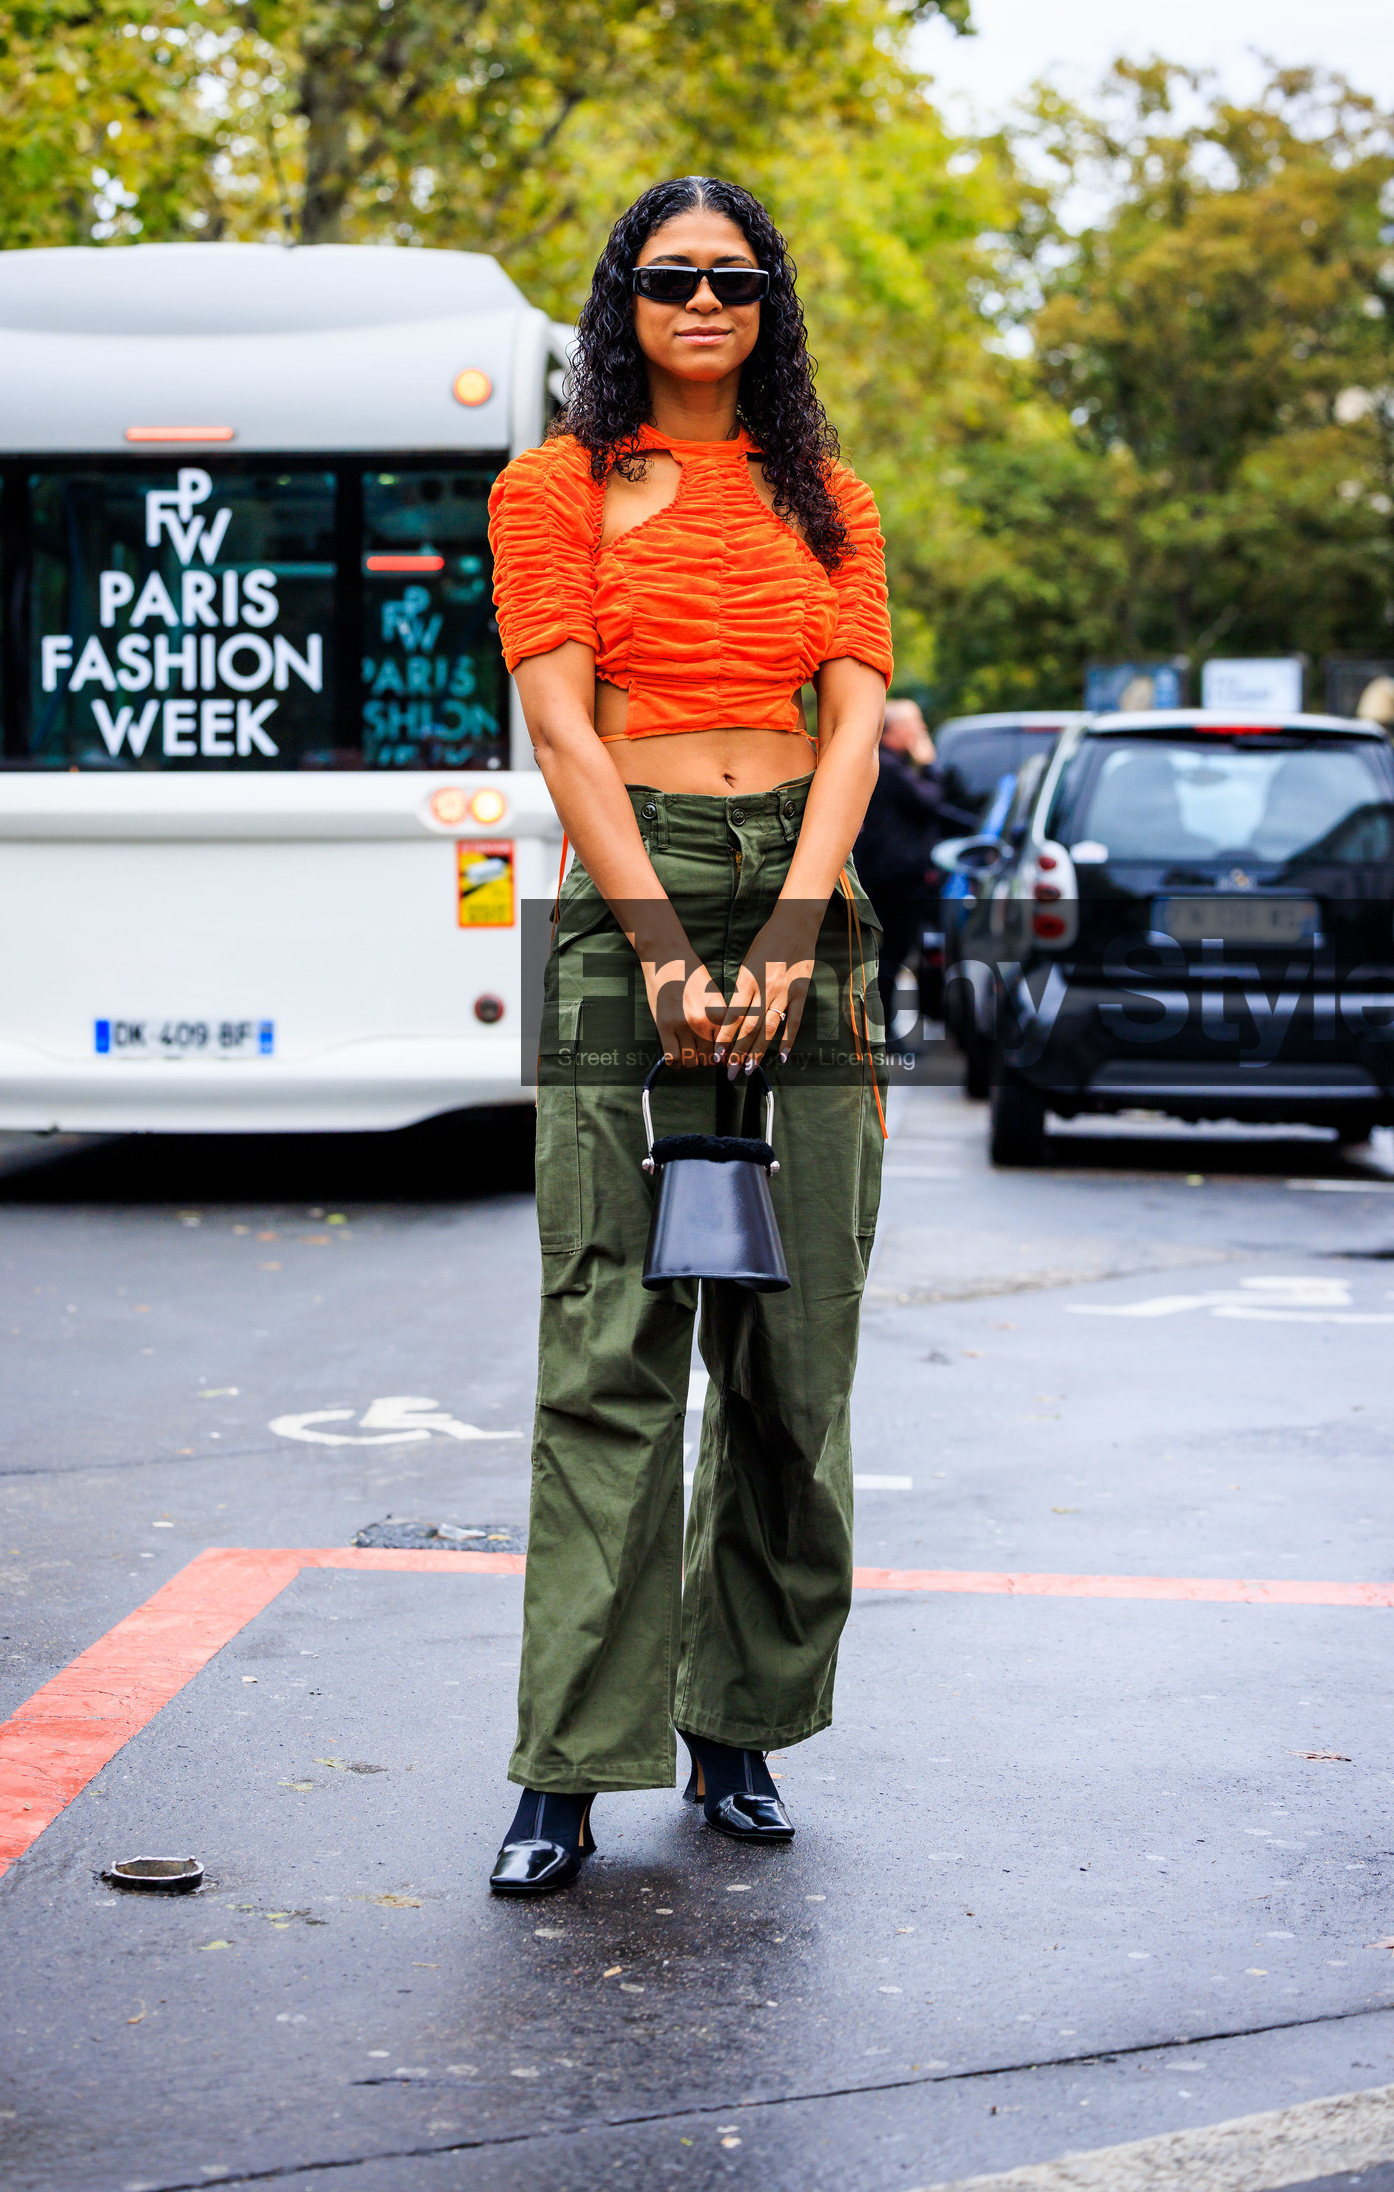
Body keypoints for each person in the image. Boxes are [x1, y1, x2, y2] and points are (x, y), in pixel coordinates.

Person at [485, 175, 892, 1894]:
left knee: (794, 1357)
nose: (704, 301)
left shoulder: (831, 498)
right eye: (672, 278)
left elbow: (854, 724)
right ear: (626, 301)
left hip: (807, 894)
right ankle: (568, 1765)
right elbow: (561, 726)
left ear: (770, 300)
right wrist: (660, 942)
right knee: (611, 1344)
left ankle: (740, 1725)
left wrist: (794, 924)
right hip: (624, 899)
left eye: (734, 277)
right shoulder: (551, 486)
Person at [853, 698, 961, 1045]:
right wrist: (928, 764)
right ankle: (882, 1029)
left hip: (893, 875)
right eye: (916, 724)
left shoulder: (890, 763)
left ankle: (885, 1026)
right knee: (892, 953)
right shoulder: (888, 766)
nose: (922, 731)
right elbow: (929, 801)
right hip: (894, 878)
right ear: (895, 730)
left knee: (895, 952)